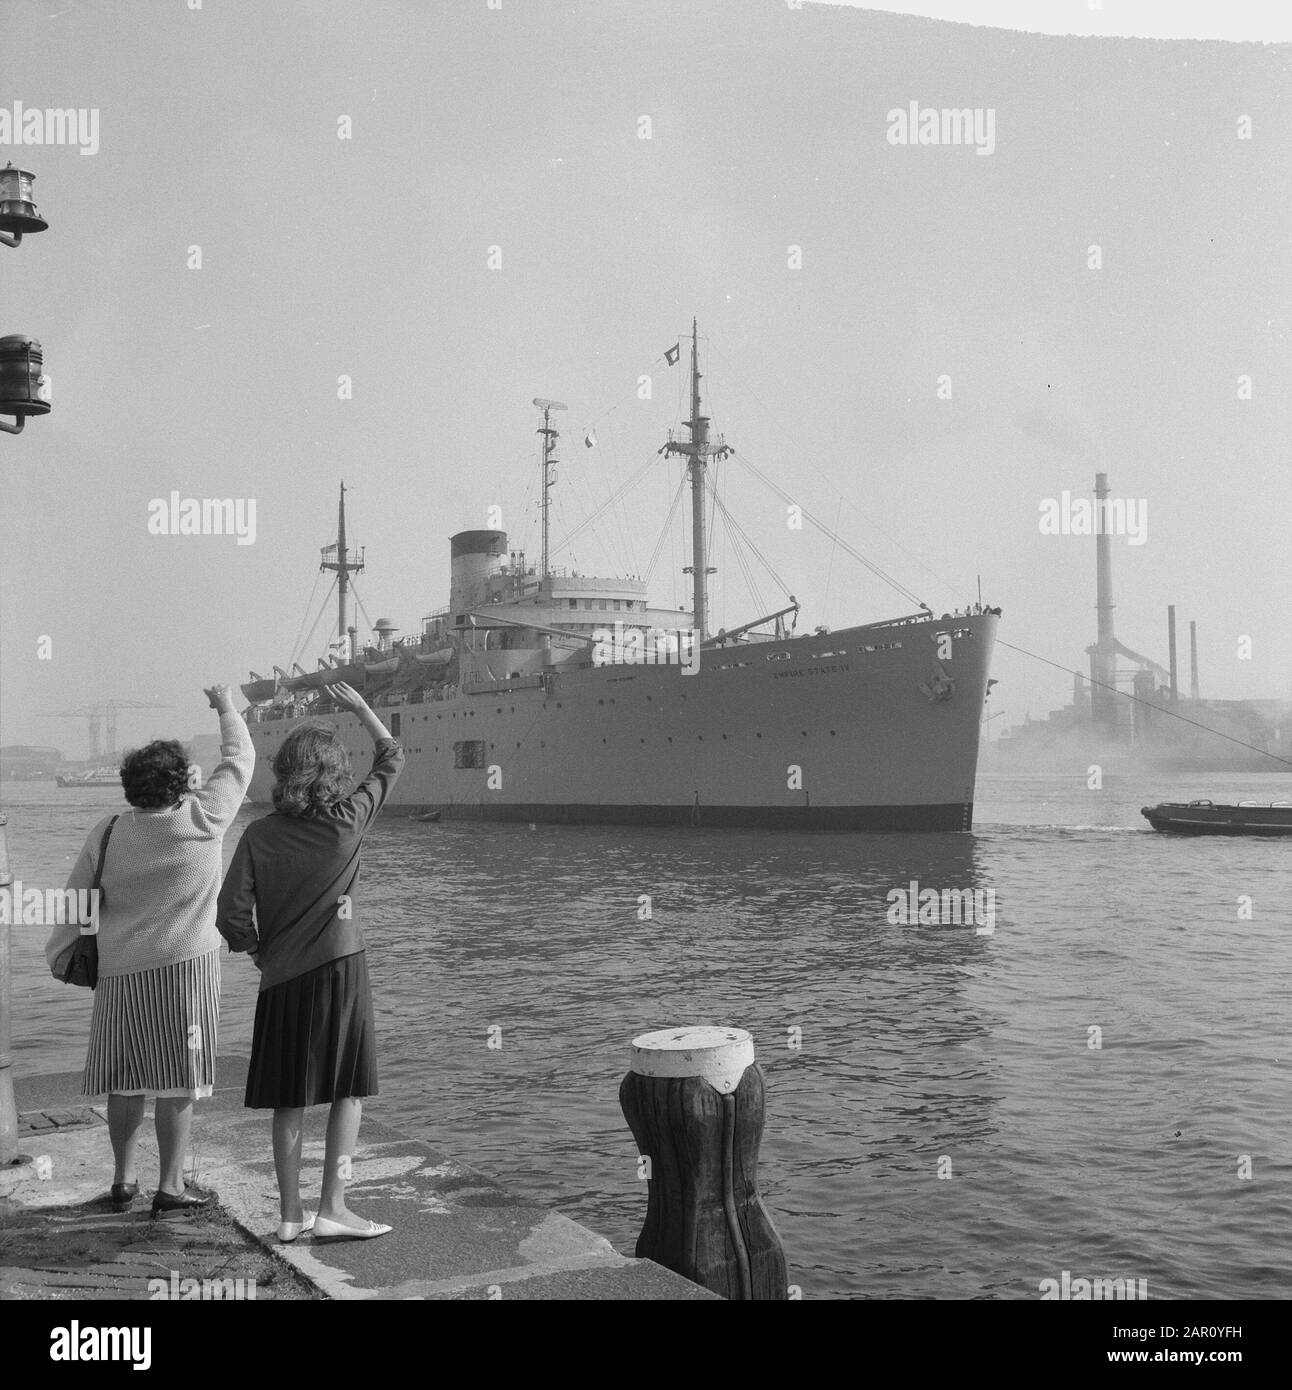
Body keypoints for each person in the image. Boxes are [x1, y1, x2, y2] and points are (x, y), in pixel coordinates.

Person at [45, 684, 254, 1216]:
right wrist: (226, 706)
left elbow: (75, 903)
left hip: (120, 972)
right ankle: (171, 1188)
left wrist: (62, 957)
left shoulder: (109, 831)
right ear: (183, 782)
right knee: (179, 1081)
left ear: (129, 786)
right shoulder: (205, 819)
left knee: (125, 1079)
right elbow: (241, 758)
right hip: (188, 970)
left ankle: (122, 1182)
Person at [216, 682, 404, 1242]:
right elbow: (394, 756)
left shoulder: (258, 834)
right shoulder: (349, 821)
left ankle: (291, 1216)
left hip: (281, 980)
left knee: (288, 1097)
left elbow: (230, 913)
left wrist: (259, 952)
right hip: (342, 970)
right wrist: (365, 710)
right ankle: (335, 1208)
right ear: (335, 772)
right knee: (347, 1090)